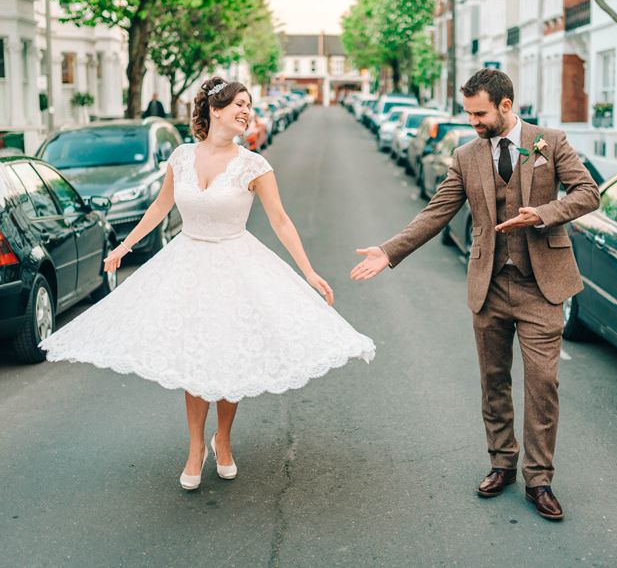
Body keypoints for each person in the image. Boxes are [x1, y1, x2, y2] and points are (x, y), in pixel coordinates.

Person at [40, 77, 375, 491]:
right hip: (187, 265)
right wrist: (123, 247)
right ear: (215, 110)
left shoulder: (255, 166)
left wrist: (308, 271)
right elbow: (160, 207)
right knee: (195, 359)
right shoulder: (181, 158)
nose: (246, 111)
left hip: (236, 265)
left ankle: (225, 439)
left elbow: (280, 221)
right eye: (238, 104)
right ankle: (196, 447)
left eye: (249, 105)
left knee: (229, 357)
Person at [351, 69, 599, 521]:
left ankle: (539, 478)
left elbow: (588, 193)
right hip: (490, 285)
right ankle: (502, 462)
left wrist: (541, 214)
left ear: (506, 106)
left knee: (543, 383)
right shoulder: (466, 156)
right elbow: (436, 212)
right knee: (494, 380)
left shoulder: (551, 141)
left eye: (479, 113)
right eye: (468, 113)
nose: (472, 122)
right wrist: (389, 251)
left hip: (542, 286)